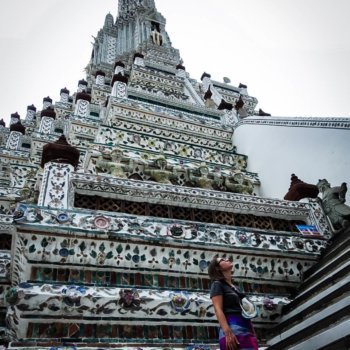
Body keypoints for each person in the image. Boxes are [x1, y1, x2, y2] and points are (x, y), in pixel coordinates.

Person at [208, 256, 258, 350]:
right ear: (217, 268)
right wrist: (227, 332)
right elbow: (218, 309)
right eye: (222, 260)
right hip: (232, 327)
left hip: (246, 325)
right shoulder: (217, 284)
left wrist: (253, 331)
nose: (226, 259)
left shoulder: (236, 288)